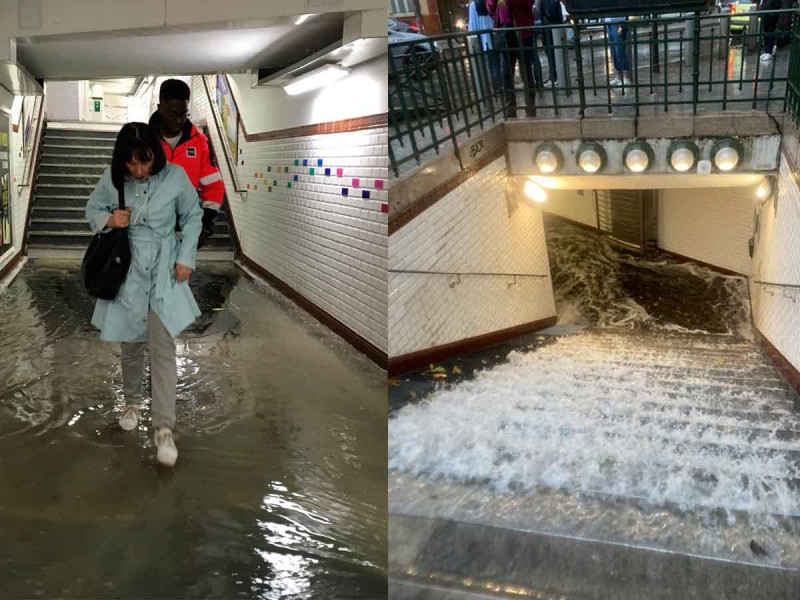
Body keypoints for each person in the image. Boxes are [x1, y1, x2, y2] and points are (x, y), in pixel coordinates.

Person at [85, 122, 203, 467]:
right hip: (128, 270)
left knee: (163, 347)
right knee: (131, 344)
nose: (138, 170)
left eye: (145, 162)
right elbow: (91, 211)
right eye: (132, 163)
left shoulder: (176, 177)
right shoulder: (113, 179)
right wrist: (111, 219)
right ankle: (132, 404)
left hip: (165, 268)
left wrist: (186, 258)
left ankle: (164, 428)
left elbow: (193, 217)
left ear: (157, 156)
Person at [149, 79, 224, 248]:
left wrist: (206, 223)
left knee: (178, 274)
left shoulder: (199, 143)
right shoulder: (144, 141)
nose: (178, 121)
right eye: (172, 115)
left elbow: (214, 186)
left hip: (183, 231)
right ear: (160, 108)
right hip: (147, 231)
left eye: (183, 114)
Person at [605, 16, 631, 86]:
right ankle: (619, 76)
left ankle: (626, 77)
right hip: (609, 21)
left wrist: (621, 26)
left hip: (618, 20)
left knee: (620, 50)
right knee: (613, 51)